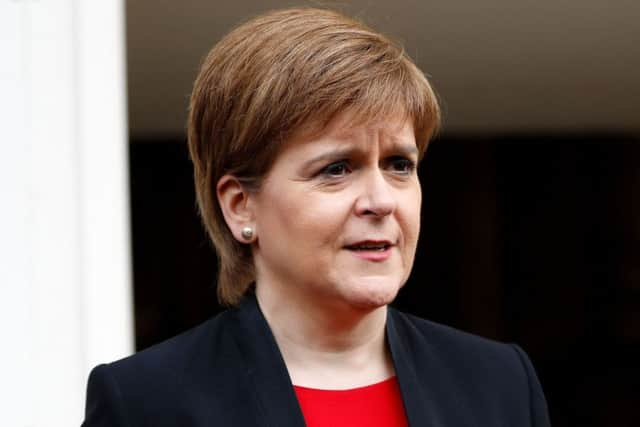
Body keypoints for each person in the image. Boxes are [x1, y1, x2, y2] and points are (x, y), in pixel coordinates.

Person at [82, 7, 550, 426]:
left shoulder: (500, 383)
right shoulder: (144, 402)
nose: (381, 200)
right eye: (337, 169)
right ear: (240, 205)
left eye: (399, 165)